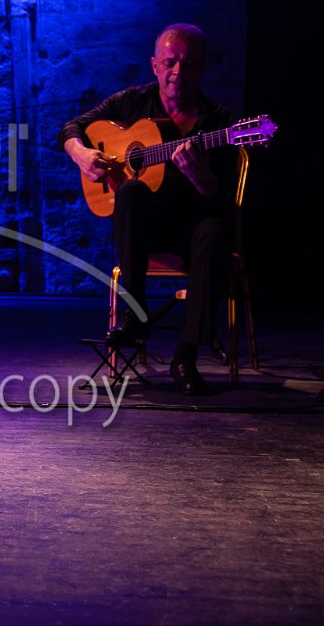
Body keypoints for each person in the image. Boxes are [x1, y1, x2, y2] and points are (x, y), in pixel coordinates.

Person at [60, 24, 238, 395]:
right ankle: (136, 314)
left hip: (195, 229)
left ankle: (185, 356)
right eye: (169, 63)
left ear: (203, 67)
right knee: (130, 192)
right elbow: (72, 127)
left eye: (188, 64)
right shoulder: (132, 103)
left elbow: (223, 202)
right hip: (148, 229)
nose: (177, 72)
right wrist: (81, 153)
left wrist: (200, 175)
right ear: (155, 65)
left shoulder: (219, 124)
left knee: (215, 232)